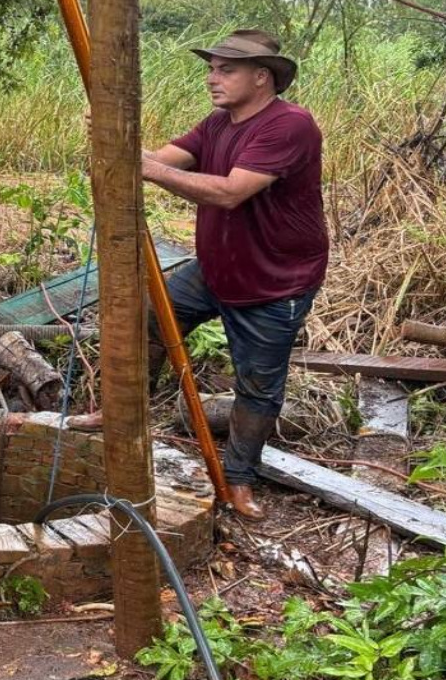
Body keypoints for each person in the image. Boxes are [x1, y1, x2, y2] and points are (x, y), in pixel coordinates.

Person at [67, 29, 326, 520]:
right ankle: (123, 413)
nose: (212, 78)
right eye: (211, 68)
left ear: (261, 77)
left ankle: (240, 479)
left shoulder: (290, 125)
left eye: (225, 70)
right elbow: (162, 161)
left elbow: (229, 192)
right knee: (148, 317)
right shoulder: (216, 124)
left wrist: (137, 163)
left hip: (274, 283)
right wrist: (112, 138)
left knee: (258, 385)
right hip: (216, 269)